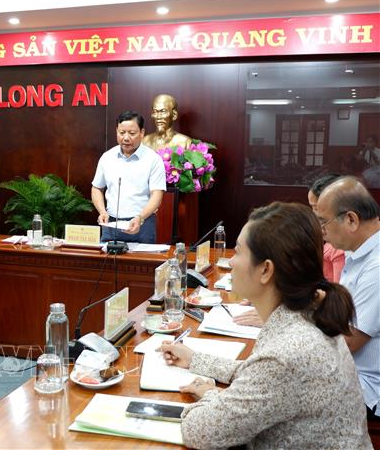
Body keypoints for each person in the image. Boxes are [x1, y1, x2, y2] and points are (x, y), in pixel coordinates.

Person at [159, 202, 372, 449]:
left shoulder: (287, 353)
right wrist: (196, 359)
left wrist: (210, 395)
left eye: (238, 252)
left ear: (266, 270)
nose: (232, 262)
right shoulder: (308, 314)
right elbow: (259, 374)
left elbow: (200, 431)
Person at [232, 173, 345, 327]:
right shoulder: (328, 245)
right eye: (312, 208)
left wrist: (272, 316)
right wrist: (265, 298)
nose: (315, 216)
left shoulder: (338, 249)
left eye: (317, 209)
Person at [316, 176, 380, 420]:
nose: (322, 231)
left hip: (366, 388)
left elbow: (349, 341)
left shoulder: (376, 266)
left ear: (351, 220)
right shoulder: (358, 253)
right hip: (346, 369)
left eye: (324, 222)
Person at [91, 111, 166, 243]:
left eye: (132, 133)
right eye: (122, 132)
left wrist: (140, 217)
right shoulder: (107, 157)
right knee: (107, 256)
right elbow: (97, 188)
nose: (126, 138)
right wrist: (102, 211)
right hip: (111, 223)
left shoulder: (153, 159)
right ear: (116, 131)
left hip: (142, 223)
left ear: (142, 133)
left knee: (141, 257)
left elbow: (157, 195)